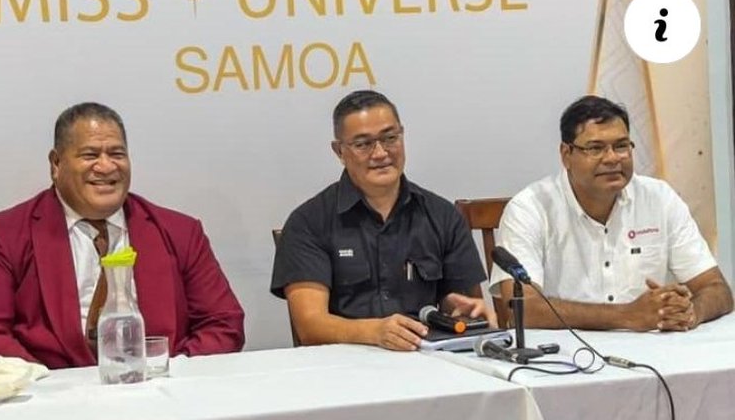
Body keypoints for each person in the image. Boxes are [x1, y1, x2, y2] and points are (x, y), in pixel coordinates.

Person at [0, 102, 245, 370]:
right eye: (90, 155)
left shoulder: (180, 232)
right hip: (47, 409)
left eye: (117, 154)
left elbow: (223, 323)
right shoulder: (1, 237)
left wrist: (171, 371)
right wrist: (48, 386)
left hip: (165, 399)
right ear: (56, 164)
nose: (106, 166)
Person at [492, 95, 733, 330]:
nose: (612, 158)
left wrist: (691, 312)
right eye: (595, 148)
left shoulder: (659, 198)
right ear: (566, 155)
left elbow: (717, 289)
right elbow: (524, 308)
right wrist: (627, 315)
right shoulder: (530, 208)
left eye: (621, 146)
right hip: (567, 358)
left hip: (655, 351)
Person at [271, 90, 488, 350]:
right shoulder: (309, 222)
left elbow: (466, 304)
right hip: (342, 370)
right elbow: (310, 325)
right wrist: (374, 331)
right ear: (339, 151)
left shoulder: (442, 216)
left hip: (428, 360)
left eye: (390, 138)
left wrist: (462, 309)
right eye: (363, 144)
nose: (381, 153)